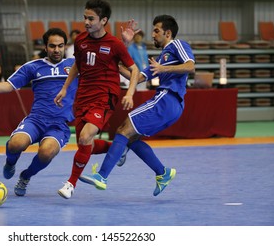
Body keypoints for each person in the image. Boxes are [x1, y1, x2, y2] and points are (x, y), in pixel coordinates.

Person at [79, 14, 196, 196]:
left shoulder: (177, 45)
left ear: (168, 32)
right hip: (169, 104)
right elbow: (137, 76)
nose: (153, 35)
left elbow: (190, 66)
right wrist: (113, 62)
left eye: (156, 31)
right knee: (131, 138)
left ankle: (102, 176)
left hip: (167, 99)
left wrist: (163, 69)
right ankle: (162, 173)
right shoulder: (160, 58)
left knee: (123, 129)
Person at [0, 28, 78, 197]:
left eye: (60, 46)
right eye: (52, 46)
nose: (57, 50)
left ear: (65, 46)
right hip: (36, 120)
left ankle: (26, 176)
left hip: (58, 125)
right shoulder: (33, 66)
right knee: (16, 144)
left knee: (46, 152)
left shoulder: (75, 66)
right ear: (45, 47)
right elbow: (9, 85)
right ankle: (10, 163)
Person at [54, 0, 140, 199]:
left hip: (104, 96)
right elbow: (77, 64)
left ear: (103, 20)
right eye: (84, 17)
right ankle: (118, 149)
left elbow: (134, 70)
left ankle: (70, 184)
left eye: (91, 18)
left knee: (84, 137)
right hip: (83, 96)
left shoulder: (115, 44)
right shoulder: (81, 40)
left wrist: (129, 93)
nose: (86, 22)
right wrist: (65, 88)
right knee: (86, 145)